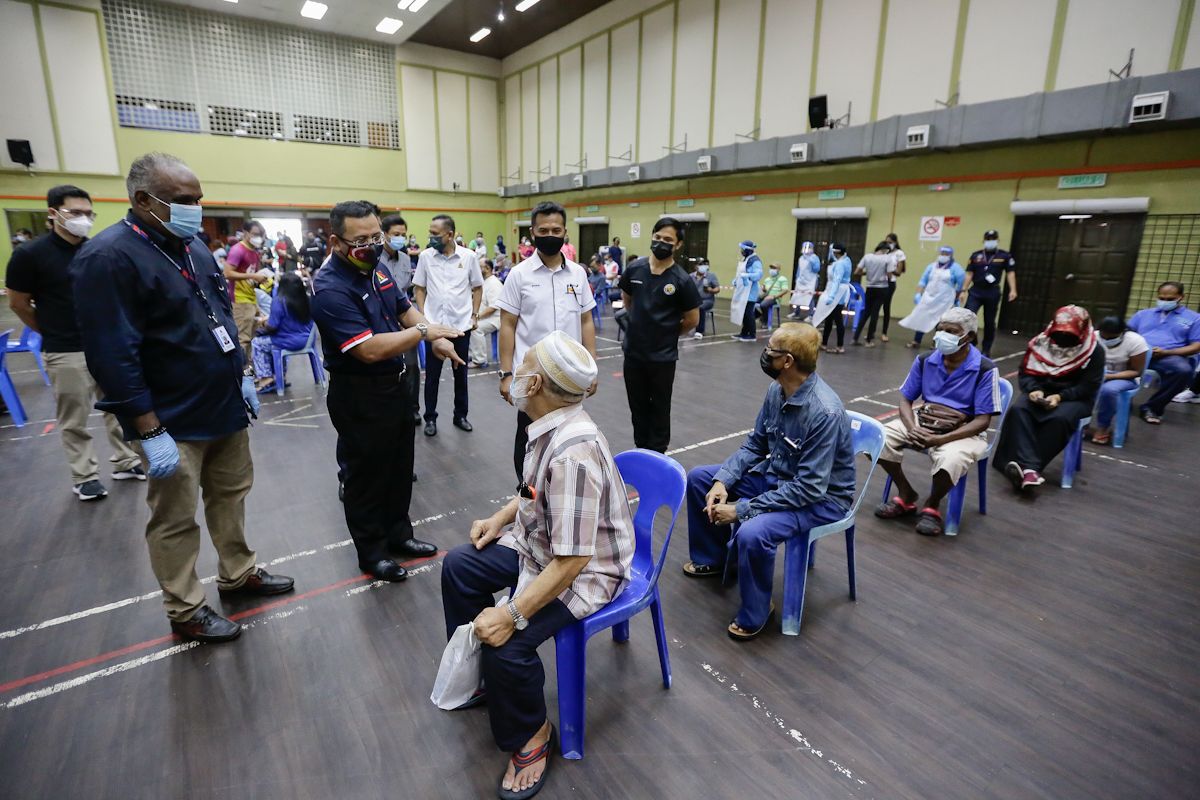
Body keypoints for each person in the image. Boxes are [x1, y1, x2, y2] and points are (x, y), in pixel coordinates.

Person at [72, 152, 293, 642]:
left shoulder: (190, 245)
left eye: (198, 199)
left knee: (230, 497)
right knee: (174, 518)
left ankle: (238, 573)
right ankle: (186, 608)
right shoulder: (108, 257)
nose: (194, 208)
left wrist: (239, 376)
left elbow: (215, 313)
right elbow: (112, 355)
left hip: (221, 405)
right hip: (169, 417)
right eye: (182, 200)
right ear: (142, 201)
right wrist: (148, 429)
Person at [440, 331, 633, 799]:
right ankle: (490, 680)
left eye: (524, 368)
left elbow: (573, 561)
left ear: (539, 385)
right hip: (543, 545)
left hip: (585, 570)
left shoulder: (572, 454)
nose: (515, 374)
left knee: (509, 644)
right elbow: (532, 492)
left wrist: (510, 614)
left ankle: (531, 733)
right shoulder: (547, 424)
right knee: (461, 567)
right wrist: (501, 517)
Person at [311, 200, 463, 581]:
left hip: (395, 387)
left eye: (376, 236)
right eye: (361, 239)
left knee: (399, 468)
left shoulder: (374, 268)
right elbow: (368, 349)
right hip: (359, 394)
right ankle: (372, 551)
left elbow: (404, 307)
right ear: (336, 241)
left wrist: (435, 339)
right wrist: (426, 332)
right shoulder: (330, 288)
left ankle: (399, 535)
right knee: (366, 477)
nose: (373, 244)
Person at [681, 323, 855, 640]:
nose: (764, 354)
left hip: (820, 500)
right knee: (700, 479)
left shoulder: (824, 412)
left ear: (787, 361)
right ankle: (714, 559)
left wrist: (742, 509)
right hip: (778, 480)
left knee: (751, 532)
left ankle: (757, 612)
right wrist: (723, 480)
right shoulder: (778, 389)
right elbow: (755, 444)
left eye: (769, 350)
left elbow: (809, 489)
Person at [5, 184, 144, 500]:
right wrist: (50, 331)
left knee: (119, 408)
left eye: (88, 213)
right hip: (65, 350)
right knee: (75, 418)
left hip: (106, 346)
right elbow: (18, 303)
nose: (83, 219)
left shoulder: (96, 250)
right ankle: (85, 476)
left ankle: (126, 460)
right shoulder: (30, 255)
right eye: (75, 213)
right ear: (53, 213)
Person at [873, 308, 1000, 535]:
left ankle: (932, 504)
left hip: (964, 431)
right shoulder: (925, 360)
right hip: (924, 421)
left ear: (969, 337)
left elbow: (982, 420)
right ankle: (906, 493)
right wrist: (913, 429)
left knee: (952, 458)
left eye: (951, 331)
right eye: (940, 330)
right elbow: (905, 400)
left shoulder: (984, 369)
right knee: (876, 438)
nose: (943, 336)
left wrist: (941, 438)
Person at [496, 201, 597, 480]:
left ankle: (559, 491)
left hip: (569, 376)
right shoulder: (519, 274)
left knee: (568, 437)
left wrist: (592, 366)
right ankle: (526, 496)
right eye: (543, 229)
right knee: (528, 439)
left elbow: (586, 320)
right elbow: (507, 324)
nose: (550, 234)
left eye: (556, 229)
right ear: (532, 233)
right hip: (532, 378)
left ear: (565, 232)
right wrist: (506, 373)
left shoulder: (577, 274)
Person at [993, 305, 1104, 492]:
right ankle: (1028, 469)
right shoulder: (1040, 343)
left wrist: (1060, 397)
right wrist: (1034, 390)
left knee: (1058, 419)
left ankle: (1028, 467)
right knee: (1019, 410)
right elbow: (1026, 373)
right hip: (1041, 392)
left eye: (1069, 337)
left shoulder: (1094, 351)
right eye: (1059, 336)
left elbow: (1089, 386)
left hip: (1075, 398)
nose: (1062, 342)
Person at [619, 217, 701, 452]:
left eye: (668, 240)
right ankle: (641, 449)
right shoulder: (635, 269)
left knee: (660, 408)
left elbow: (692, 319)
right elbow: (628, 301)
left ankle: (657, 453)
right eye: (658, 238)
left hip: (662, 359)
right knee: (638, 407)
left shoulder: (681, 280)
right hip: (633, 354)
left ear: (678, 245)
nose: (661, 243)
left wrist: (666, 333)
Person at [413, 213, 483, 436]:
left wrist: (474, 316)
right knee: (432, 376)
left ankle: (460, 415)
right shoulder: (425, 257)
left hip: (461, 327)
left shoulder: (469, 257)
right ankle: (430, 418)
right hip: (434, 329)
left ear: (450, 234)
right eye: (430, 233)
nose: (430, 237)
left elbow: (478, 287)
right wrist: (424, 318)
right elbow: (419, 289)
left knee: (460, 375)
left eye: (435, 234)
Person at [1127, 281, 1200, 424]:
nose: (1164, 302)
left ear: (1181, 297)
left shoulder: (1194, 318)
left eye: (1170, 299)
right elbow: (1126, 334)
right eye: (1162, 298)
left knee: (1183, 371)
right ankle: (1121, 398)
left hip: (1168, 356)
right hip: (1140, 353)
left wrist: (1167, 352)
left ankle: (1152, 408)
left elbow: (1197, 346)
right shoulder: (1143, 314)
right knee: (1113, 360)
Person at [379, 214, 422, 421]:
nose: (400, 239)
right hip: (382, 322)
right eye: (396, 235)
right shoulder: (374, 260)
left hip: (405, 320)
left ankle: (412, 408)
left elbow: (405, 292)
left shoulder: (405, 258)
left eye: (403, 235)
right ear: (384, 235)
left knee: (412, 366)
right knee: (388, 369)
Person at [1088, 316, 1149, 445]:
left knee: (1108, 390)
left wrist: (1109, 377)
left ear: (1122, 332)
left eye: (1111, 338)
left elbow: (1136, 371)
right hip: (1098, 373)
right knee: (1080, 386)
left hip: (1125, 376)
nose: (1106, 340)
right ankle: (1082, 423)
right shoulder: (1093, 336)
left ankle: (1103, 427)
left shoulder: (1136, 341)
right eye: (1104, 337)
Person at [250, 272, 313, 393]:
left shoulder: (279, 301)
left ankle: (266, 378)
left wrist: (263, 323)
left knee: (257, 343)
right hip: (307, 340)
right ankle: (280, 376)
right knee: (274, 343)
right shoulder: (307, 299)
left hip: (286, 341)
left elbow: (272, 326)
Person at [962, 230, 1017, 357]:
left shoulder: (1004, 256)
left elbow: (1010, 273)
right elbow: (969, 274)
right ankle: (968, 343)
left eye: (993, 238)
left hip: (992, 291)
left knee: (989, 321)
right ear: (984, 240)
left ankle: (986, 348)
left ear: (997, 240)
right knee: (968, 317)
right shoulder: (976, 256)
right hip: (976, 290)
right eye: (988, 238)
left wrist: (1013, 290)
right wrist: (963, 290)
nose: (990, 241)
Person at [900, 245, 965, 348]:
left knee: (941, 321)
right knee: (922, 317)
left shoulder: (956, 268)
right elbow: (923, 281)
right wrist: (918, 293)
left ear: (950, 255)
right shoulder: (931, 266)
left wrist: (957, 297)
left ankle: (936, 343)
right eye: (942, 253)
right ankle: (916, 340)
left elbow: (960, 284)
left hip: (944, 300)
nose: (943, 256)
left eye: (946, 254)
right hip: (929, 297)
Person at [224, 219, 270, 363]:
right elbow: (227, 273)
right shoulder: (238, 250)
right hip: (240, 299)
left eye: (261, 235)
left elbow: (249, 275)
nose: (258, 238)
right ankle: (244, 375)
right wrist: (253, 275)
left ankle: (252, 370)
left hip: (251, 297)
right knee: (243, 339)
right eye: (255, 234)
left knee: (252, 336)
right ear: (245, 233)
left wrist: (260, 278)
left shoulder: (254, 252)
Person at [852, 241, 895, 347]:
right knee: (875, 314)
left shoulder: (867, 257)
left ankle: (855, 337)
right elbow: (889, 275)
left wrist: (867, 273)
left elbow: (857, 272)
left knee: (866, 313)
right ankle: (869, 340)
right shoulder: (887, 258)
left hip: (870, 287)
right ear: (886, 250)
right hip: (882, 288)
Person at [814, 242, 851, 353]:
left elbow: (837, 280)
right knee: (828, 319)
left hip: (837, 292)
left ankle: (840, 346)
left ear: (836, 252)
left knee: (837, 319)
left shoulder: (840, 264)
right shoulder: (846, 260)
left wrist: (832, 296)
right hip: (837, 290)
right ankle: (824, 343)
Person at [469, 259, 504, 367]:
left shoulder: (494, 283)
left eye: (480, 266)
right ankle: (473, 354)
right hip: (484, 317)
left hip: (495, 318)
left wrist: (477, 317)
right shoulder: (484, 282)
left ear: (487, 268)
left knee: (476, 328)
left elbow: (493, 307)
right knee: (466, 325)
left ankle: (479, 360)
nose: (477, 269)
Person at [731, 240, 763, 342]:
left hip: (750, 292)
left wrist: (747, 276)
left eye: (743, 249)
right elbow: (741, 272)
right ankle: (744, 333)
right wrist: (736, 280)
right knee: (743, 312)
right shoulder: (746, 259)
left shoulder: (755, 260)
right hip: (742, 291)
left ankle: (752, 335)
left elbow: (758, 275)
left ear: (748, 250)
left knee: (749, 313)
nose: (741, 251)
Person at [788, 241, 821, 321]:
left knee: (809, 296)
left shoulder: (814, 258)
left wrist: (812, 262)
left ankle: (811, 315)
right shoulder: (801, 258)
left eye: (809, 247)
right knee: (798, 295)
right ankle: (796, 312)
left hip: (811, 281)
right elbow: (799, 269)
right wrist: (797, 278)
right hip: (801, 280)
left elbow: (816, 269)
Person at [882, 233, 906, 342]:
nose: (888, 244)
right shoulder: (884, 252)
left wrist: (890, 271)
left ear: (895, 242)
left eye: (890, 242)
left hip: (890, 283)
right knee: (874, 308)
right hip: (879, 282)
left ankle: (884, 332)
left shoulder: (899, 253)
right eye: (887, 242)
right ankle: (870, 334)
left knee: (886, 307)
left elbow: (899, 271)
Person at [692, 259, 720, 339]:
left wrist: (711, 290)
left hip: (707, 300)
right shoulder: (691, 276)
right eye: (700, 264)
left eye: (704, 264)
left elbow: (717, 289)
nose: (703, 266)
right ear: (696, 266)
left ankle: (699, 331)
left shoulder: (711, 276)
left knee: (700, 307)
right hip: (694, 300)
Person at [755, 263, 790, 327]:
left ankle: (765, 321)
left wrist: (773, 296)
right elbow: (766, 291)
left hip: (775, 298)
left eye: (774, 268)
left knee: (763, 304)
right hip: (766, 296)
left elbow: (785, 290)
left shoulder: (782, 279)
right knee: (750, 301)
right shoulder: (767, 279)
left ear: (778, 270)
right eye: (771, 268)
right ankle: (759, 315)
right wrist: (763, 289)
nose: (772, 270)